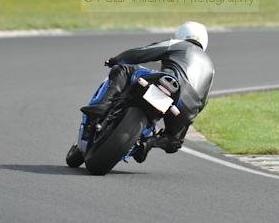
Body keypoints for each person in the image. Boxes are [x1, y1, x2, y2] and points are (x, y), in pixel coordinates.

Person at [81, 21, 214, 162]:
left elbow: (141, 53)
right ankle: (149, 143)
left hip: (169, 80)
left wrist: (116, 60)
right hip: (188, 106)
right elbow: (204, 99)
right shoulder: (211, 67)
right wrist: (189, 116)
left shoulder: (178, 44)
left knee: (124, 69)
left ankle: (103, 106)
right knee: (173, 142)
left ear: (180, 35)